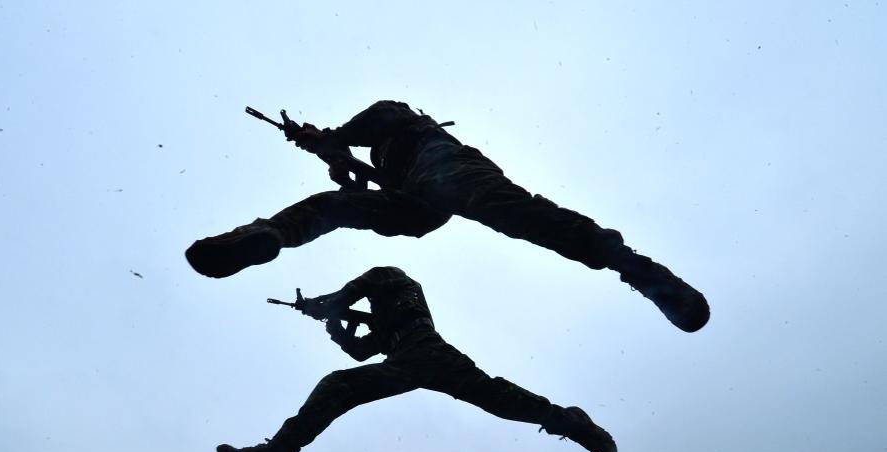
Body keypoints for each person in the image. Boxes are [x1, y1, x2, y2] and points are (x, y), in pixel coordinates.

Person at [186, 100, 709, 332]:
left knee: (533, 219)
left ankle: (644, 273)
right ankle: (263, 237)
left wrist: (333, 140)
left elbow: (375, 120)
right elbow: (354, 172)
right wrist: (333, 157)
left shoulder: (403, 123)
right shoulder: (384, 156)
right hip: (416, 204)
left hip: (445, 172)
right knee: (336, 206)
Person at [216, 266, 617, 452]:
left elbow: (351, 292)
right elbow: (361, 351)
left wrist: (326, 306)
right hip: (409, 360)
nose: (367, 301)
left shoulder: (391, 279)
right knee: (492, 395)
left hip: (424, 349)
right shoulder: (383, 317)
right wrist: (338, 329)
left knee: (494, 396)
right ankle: (570, 421)